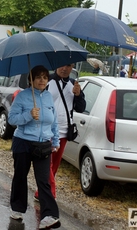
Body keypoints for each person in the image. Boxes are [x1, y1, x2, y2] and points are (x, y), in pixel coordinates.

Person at [8, 65, 61, 229]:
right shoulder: (23, 96)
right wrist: (28, 115)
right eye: (38, 77)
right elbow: (12, 119)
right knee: (20, 176)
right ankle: (17, 208)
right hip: (23, 142)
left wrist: (56, 141)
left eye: (45, 77)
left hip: (43, 144)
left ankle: (49, 215)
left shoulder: (49, 97)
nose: (42, 80)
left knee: (43, 180)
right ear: (30, 80)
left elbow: (55, 121)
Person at [34, 64, 86, 201]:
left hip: (63, 130)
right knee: (47, 164)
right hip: (46, 130)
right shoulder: (47, 81)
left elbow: (81, 108)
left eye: (68, 66)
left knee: (54, 165)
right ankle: (50, 194)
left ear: (72, 67)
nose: (64, 68)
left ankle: (41, 192)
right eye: (62, 65)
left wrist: (78, 95)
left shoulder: (73, 85)